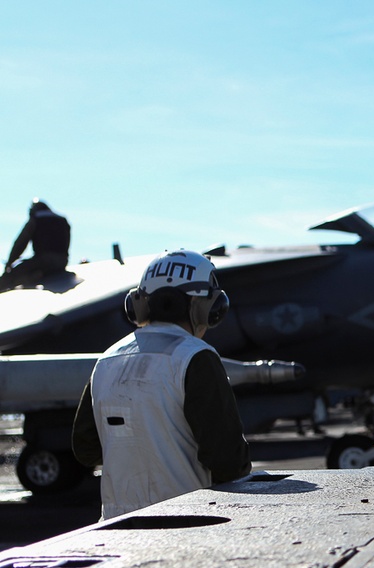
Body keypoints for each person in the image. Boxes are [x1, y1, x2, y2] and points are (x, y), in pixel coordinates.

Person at [72, 249, 251, 519]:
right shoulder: (195, 357)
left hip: (116, 524)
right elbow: (227, 460)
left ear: (140, 304)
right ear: (206, 308)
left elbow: (85, 448)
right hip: (189, 523)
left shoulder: (107, 360)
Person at [0, 199, 71, 291]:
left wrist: (10, 262)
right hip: (62, 262)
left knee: (10, 277)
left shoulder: (36, 219)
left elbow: (21, 243)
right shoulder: (62, 220)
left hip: (43, 261)